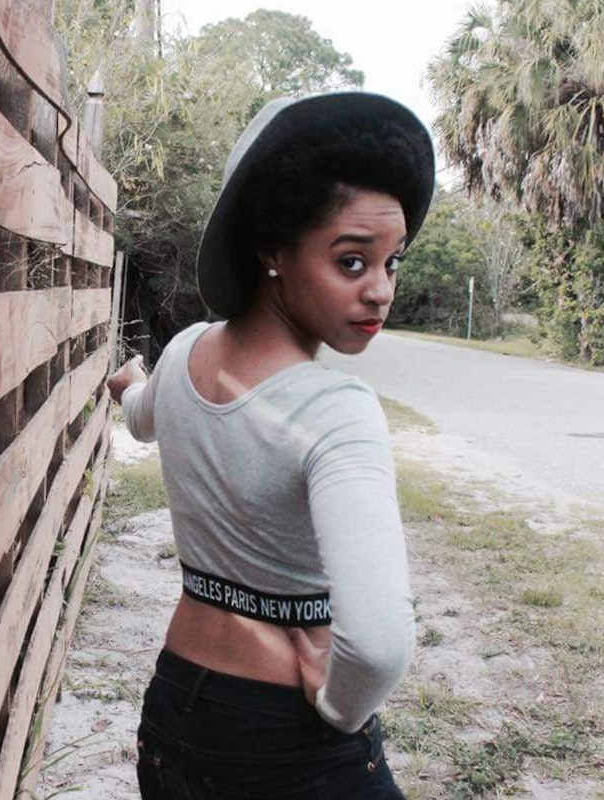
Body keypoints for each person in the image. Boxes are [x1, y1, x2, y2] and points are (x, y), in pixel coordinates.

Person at [106, 93, 435, 799]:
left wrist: (129, 380)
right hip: (291, 741)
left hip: (176, 711)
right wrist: (343, 706)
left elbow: (141, 414)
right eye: (352, 262)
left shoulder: (191, 351)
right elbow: (376, 644)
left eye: (392, 262)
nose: (380, 291)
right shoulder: (336, 411)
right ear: (272, 251)